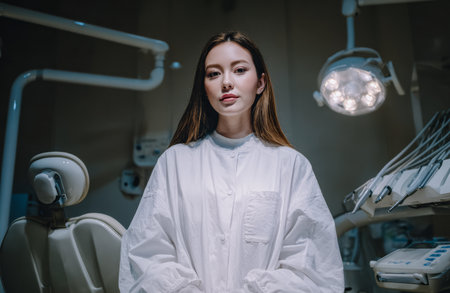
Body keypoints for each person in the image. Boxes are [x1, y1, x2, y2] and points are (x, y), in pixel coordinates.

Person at [119, 31, 344, 293]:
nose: (226, 82)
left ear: (260, 83)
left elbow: (311, 263)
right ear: (204, 86)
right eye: (213, 73)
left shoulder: (291, 165)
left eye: (239, 70)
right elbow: (147, 252)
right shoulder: (175, 162)